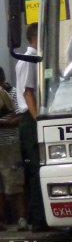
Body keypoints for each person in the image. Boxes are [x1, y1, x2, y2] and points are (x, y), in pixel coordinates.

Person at [15, 22, 47, 232]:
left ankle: (42, 216)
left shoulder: (29, 58)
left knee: (38, 169)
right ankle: (38, 218)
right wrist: (39, 120)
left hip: (29, 118)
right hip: (30, 118)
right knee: (38, 169)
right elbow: (28, 93)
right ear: (36, 37)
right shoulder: (29, 59)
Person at [0, 66, 28, 231]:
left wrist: (3, 123)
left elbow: (20, 117)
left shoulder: (12, 92)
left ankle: (22, 218)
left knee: (15, 183)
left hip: (10, 145)